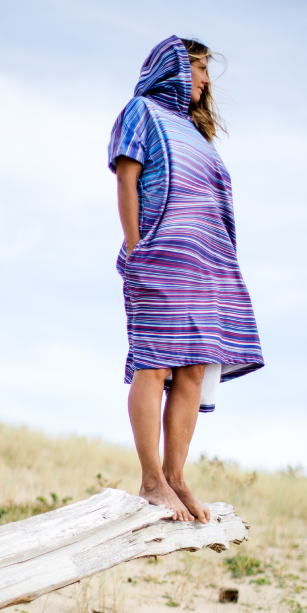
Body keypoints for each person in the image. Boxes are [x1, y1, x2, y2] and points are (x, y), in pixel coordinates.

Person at [108, 35, 264, 525]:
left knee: (194, 369)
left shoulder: (195, 133)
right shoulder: (142, 111)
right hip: (160, 257)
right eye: (199, 69)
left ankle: (176, 477)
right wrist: (136, 247)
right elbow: (127, 178)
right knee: (155, 364)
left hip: (204, 267)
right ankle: (152, 480)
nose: (206, 81)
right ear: (174, 68)